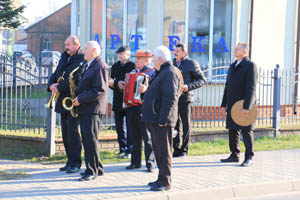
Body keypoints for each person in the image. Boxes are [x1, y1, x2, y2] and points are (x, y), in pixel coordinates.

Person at [142, 46, 181, 191]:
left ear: (159, 59)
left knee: (164, 152)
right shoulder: (162, 72)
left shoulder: (170, 72)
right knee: (158, 150)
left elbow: (170, 98)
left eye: (153, 58)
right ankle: (160, 178)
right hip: (155, 119)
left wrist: (162, 119)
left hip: (162, 121)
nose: (152, 60)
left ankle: (165, 181)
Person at [72, 41, 109, 181]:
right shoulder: (90, 65)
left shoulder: (100, 66)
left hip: (92, 109)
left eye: (86, 49)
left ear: (94, 50)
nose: (84, 52)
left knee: (90, 140)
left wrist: (80, 99)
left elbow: (100, 90)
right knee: (89, 139)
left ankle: (91, 170)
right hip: (86, 108)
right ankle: (97, 168)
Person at [47, 35, 83, 173]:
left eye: (68, 44)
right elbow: (56, 73)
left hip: (72, 99)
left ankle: (76, 162)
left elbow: (76, 78)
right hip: (62, 100)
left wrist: (58, 87)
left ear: (76, 45)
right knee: (65, 133)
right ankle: (69, 160)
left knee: (73, 132)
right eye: (66, 44)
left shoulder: (81, 58)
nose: (66, 47)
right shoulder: (64, 56)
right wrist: (51, 85)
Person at [220, 42, 258, 167]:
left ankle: (249, 157)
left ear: (245, 52)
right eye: (235, 48)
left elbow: (251, 88)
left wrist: (247, 106)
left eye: (237, 49)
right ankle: (234, 154)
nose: (234, 50)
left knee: (246, 131)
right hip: (232, 104)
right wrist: (223, 104)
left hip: (244, 104)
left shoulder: (250, 66)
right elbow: (227, 86)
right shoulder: (232, 66)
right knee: (232, 130)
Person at [124, 49, 156, 172]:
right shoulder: (132, 72)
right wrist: (122, 85)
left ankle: (150, 163)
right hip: (132, 107)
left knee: (147, 137)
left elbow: (155, 90)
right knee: (134, 136)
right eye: (136, 58)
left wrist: (146, 89)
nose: (136, 61)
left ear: (147, 60)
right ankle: (135, 162)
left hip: (144, 108)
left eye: (139, 58)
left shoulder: (152, 72)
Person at [173, 43, 206, 157]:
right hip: (173, 99)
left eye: (178, 51)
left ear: (184, 52)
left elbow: (202, 80)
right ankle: (176, 149)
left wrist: (188, 87)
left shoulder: (191, 63)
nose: (175, 52)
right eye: (175, 50)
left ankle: (184, 150)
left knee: (185, 125)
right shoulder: (171, 64)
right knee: (175, 124)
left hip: (185, 99)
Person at [109, 46, 135, 159]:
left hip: (128, 100)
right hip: (117, 99)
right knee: (119, 126)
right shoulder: (114, 66)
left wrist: (119, 84)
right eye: (118, 54)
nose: (119, 56)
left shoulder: (131, 66)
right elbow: (111, 82)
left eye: (122, 53)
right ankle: (122, 148)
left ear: (128, 54)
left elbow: (132, 82)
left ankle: (129, 150)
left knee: (129, 126)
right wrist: (116, 84)